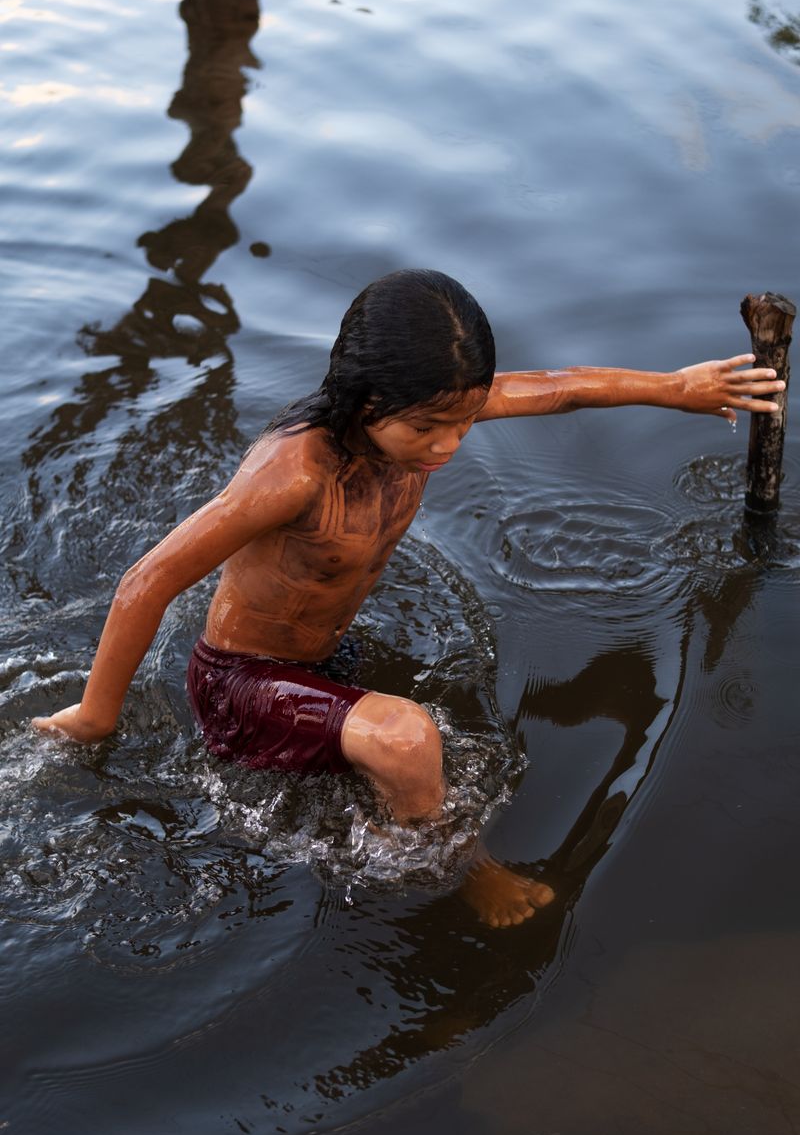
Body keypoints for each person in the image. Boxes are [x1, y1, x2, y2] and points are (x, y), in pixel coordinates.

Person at [32, 270, 784, 926]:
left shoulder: (431, 412)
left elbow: (562, 387)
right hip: (240, 684)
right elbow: (148, 581)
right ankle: (469, 873)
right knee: (407, 737)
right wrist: (96, 718)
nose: (449, 446)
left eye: (463, 420)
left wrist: (677, 390)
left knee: (406, 739)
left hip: (325, 658)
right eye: (429, 428)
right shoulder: (293, 475)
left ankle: (382, 805)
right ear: (365, 403)